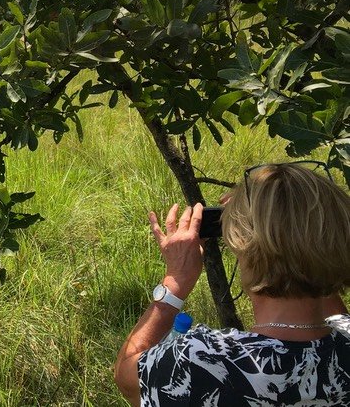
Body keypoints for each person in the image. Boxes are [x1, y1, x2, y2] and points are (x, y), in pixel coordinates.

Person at [114, 162, 350, 406]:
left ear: (242, 244)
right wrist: (308, 237)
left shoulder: (201, 360)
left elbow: (127, 377)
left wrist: (177, 279)